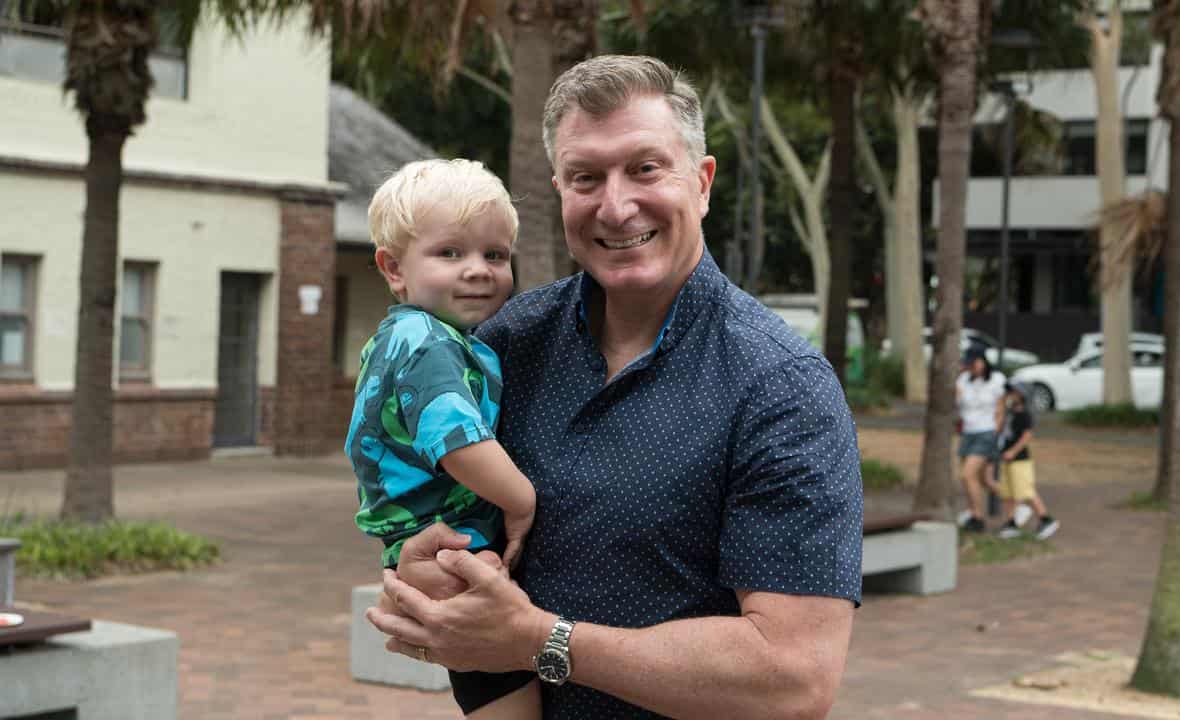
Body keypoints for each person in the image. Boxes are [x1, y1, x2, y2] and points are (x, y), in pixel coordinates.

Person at [365, 55, 862, 719]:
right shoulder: (507, 342)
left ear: (703, 182)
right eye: (586, 177)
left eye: (645, 168)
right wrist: (428, 566)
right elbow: (426, 491)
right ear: (560, 191)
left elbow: (794, 678)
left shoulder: (782, 387)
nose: (617, 204)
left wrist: (541, 642)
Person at [347, 158, 539, 719]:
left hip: (433, 544)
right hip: (455, 548)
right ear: (394, 268)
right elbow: (457, 441)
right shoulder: (424, 341)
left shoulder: (424, 336)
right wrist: (520, 499)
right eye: (450, 253)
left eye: (495, 254)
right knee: (506, 691)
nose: (478, 270)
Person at [995, 381, 1060, 540]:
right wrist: (1001, 406)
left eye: (1013, 392)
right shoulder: (1010, 412)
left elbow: (1026, 436)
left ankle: (1046, 519)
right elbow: (999, 427)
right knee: (1009, 493)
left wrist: (1013, 451)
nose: (1010, 394)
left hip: (1020, 460)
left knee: (1026, 491)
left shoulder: (1025, 414)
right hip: (1006, 458)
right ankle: (1011, 522)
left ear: (1022, 395)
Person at [955, 346, 1006, 533]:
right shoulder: (963, 381)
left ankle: (978, 517)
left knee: (967, 474)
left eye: (974, 363)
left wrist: (996, 434)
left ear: (983, 361)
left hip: (986, 432)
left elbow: (1001, 410)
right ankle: (1017, 504)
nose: (972, 367)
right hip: (968, 432)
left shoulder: (996, 380)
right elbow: (958, 405)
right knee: (984, 480)